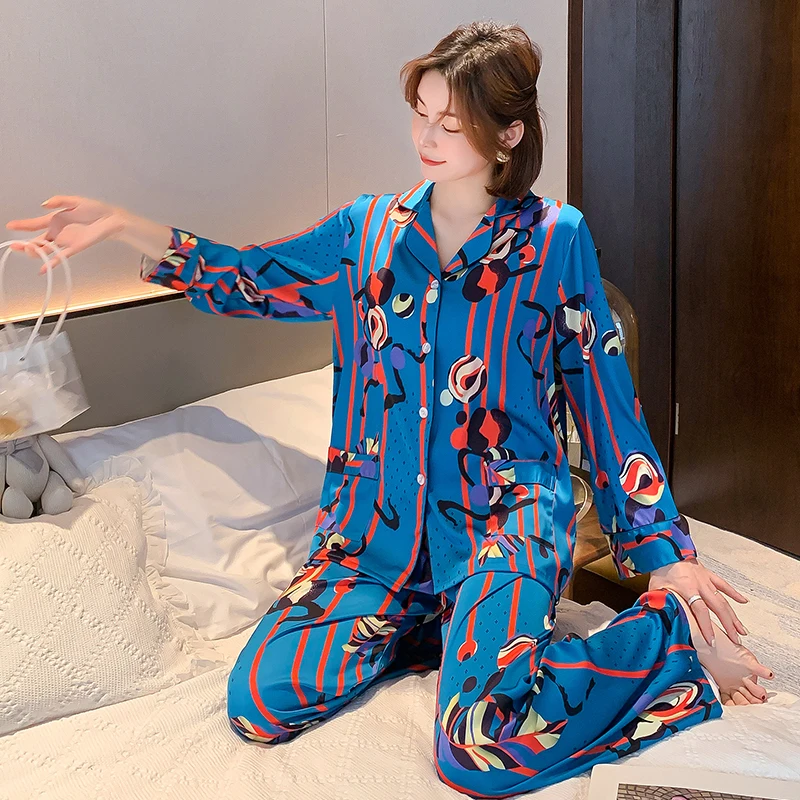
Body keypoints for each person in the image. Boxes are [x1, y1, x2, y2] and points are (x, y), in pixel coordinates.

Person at [6, 20, 774, 799]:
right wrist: (123, 227)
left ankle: (668, 646)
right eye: (421, 115)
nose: (428, 138)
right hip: (374, 536)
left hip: (503, 527)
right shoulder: (366, 233)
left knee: (481, 748)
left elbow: (604, 397)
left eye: (452, 123)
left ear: (508, 134)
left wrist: (663, 554)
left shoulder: (554, 240)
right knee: (260, 704)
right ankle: (442, 630)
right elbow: (250, 279)